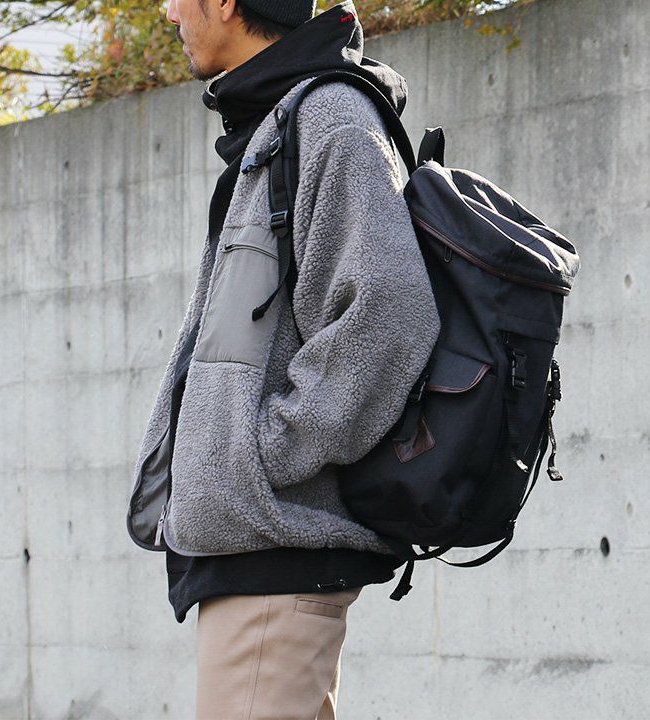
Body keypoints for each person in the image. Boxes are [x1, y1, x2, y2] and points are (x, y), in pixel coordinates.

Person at [135, 0, 441, 717]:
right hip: (259, 560)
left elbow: (391, 313)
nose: (168, 12)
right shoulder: (279, 123)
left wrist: (262, 455)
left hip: (275, 555)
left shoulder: (330, 118)